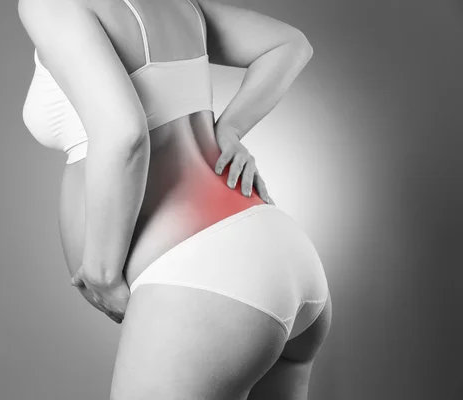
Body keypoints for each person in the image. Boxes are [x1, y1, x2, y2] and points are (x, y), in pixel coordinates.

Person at [19, 0, 331, 398]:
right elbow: (289, 45)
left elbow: (125, 134)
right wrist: (229, 130)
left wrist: (101, 271)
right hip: (279, 248)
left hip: (204, 277)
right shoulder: (181, 4)